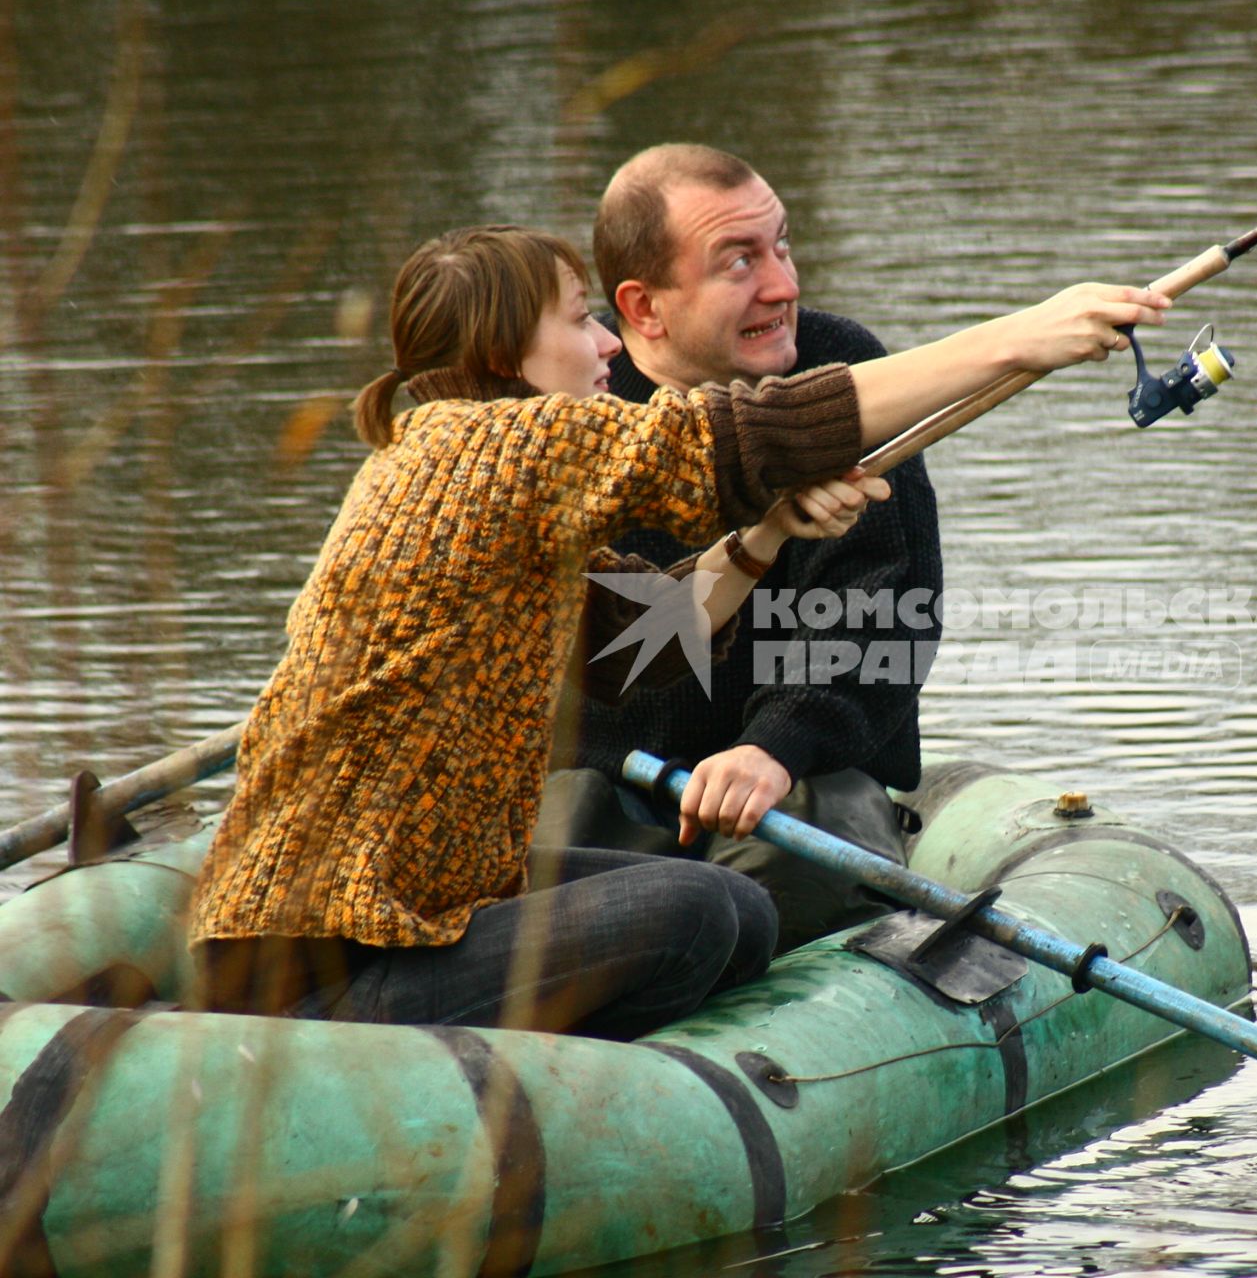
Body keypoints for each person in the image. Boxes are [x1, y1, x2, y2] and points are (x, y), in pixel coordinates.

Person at [189, 223, 1169, 1038]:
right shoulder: (491, 445)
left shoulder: (446, 467)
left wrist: (775, 527)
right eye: (580, 322)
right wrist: (1020, 339)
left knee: (726, 909)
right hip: (323, 960)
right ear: (501, 361)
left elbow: (645, 642)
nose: (608, 344)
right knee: (711, 906)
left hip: (407, 911)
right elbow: (745, 436)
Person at [549, 143, 943, 952]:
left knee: (789, 860)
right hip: (613, 789)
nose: (784, 286)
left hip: (794, 784)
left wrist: (774, 746)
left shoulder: (845, 372)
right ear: (644, 306)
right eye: (739, 262)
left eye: (783, 246)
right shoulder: (571, 408)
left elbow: (884, 614)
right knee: (539, 863)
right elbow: (611, 656)